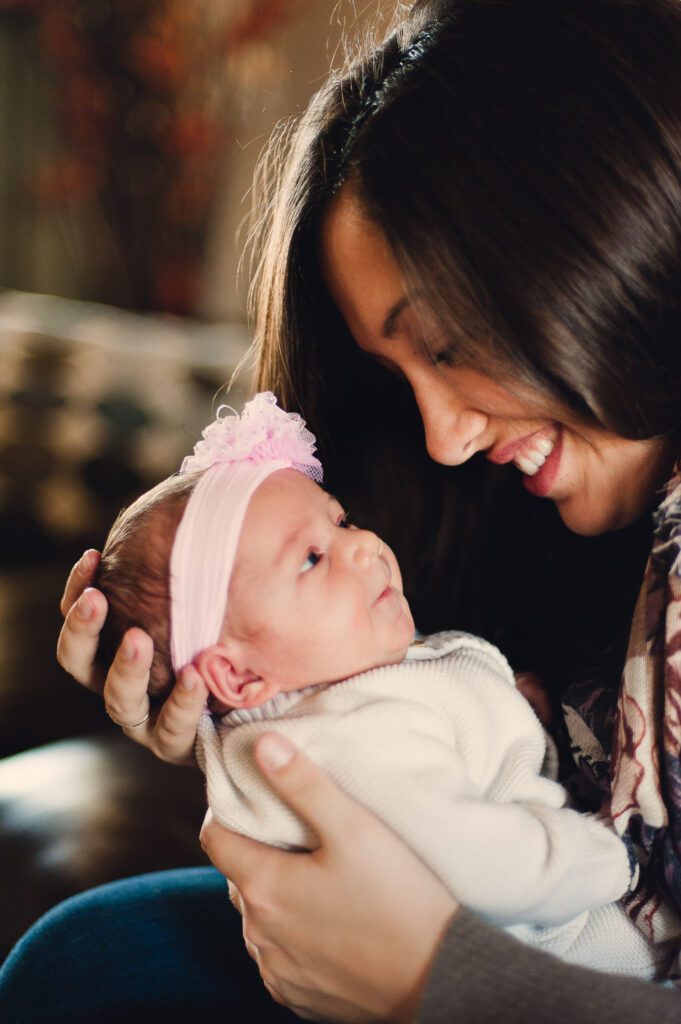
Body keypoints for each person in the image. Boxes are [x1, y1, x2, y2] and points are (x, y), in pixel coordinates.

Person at [5, 0, 681, 1020]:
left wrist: (435, 978)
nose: (444, 439)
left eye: (451, 345)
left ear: (593, 246)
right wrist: (268, 725)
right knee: (94, 956)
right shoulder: (505, 510)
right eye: (396, 371)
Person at [95, 390, 658, 977]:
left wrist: (509, 709)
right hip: (579, 941)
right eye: (312, 558)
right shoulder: (346, 743)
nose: (363, 546)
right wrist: (616, 857)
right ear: (236, 675)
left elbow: (440, 723)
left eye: (341, 522)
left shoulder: (333, 688)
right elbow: (481, 859)